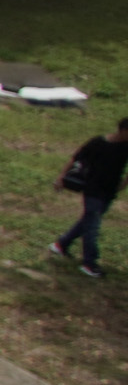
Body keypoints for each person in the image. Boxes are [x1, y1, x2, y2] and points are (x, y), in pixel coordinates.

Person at [58, 115, 128, 278]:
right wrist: (61, 177)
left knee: (87, 222)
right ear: (123, 131)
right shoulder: (98, 143)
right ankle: (89, 263)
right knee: (92, 227)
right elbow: (76, 158)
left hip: (109, 192)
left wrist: (122, 185)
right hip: (93, 190)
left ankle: (62, 245)